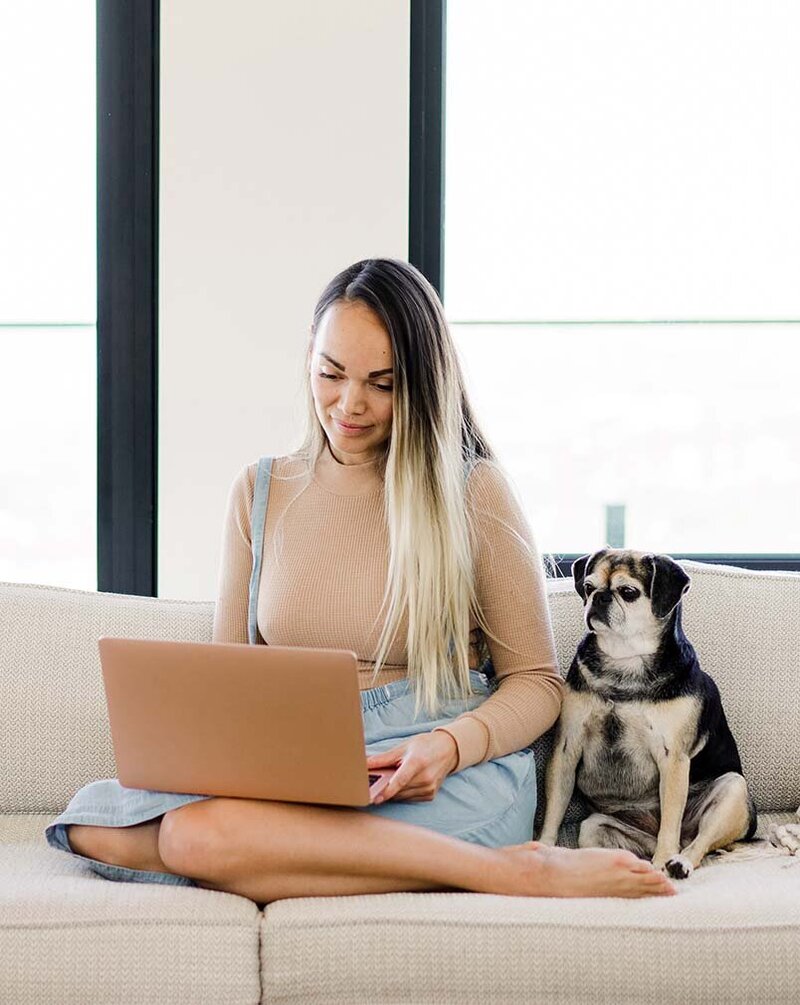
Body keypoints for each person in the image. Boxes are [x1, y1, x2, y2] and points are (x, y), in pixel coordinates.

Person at [45, 258, 675, 901]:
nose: (350, 404)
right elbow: (230, 683)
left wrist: (448, 746)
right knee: (92, 823)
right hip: (293, 764)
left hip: (437, 763)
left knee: (190, 839)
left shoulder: (472, 490)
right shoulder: (259, 492)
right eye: (331, 374)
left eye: (382, 383)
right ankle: (477, 868)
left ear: (422, 386)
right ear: (309, 360)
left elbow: (537, 683)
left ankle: (501, 867)